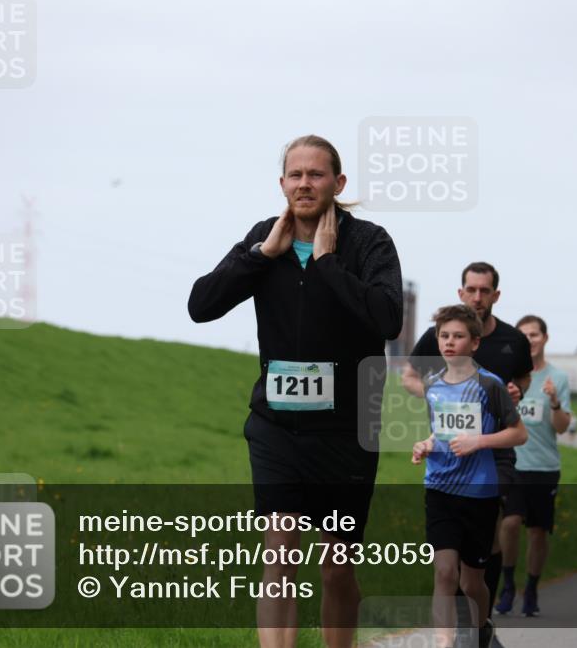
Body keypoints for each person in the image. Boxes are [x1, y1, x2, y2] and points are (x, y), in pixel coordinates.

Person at [187, 135, 402, 648]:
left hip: (347, 430)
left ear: (338, 183)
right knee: (280, 552)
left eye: (316, 174)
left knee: (335, 566)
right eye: (295, 175)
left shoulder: (369, 242)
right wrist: (260, 257)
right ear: (282, 183)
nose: (305, 183)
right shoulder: (266, 238)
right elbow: (201, 304)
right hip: (276, 425)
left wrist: (327, 264)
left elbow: (388, 318)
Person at [402, 261, 532, 646]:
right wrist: (427, 445)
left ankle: (479, 628)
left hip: (481, 486)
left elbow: (518, 433)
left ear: (474, 343)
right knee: (444, 571)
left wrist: (479, 441)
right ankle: (444, 642)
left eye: (457, 336)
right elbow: (442, 431)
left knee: (471, 578)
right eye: (444, 336)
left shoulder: (490, 384)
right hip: (440, 486)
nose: (448, 342)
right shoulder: (434, 386)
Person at [495, 315, 571, 617]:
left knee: (538, 533)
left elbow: (563, 427)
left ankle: (532, 588)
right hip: (513, 463)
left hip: (544, 466)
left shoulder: (558, 379)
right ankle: (508, 583)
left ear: (545, 338)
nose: (530, 339)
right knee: (510, 524)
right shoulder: (509, 375)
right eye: (524, 335)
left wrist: (554, 401)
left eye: (535, 334)